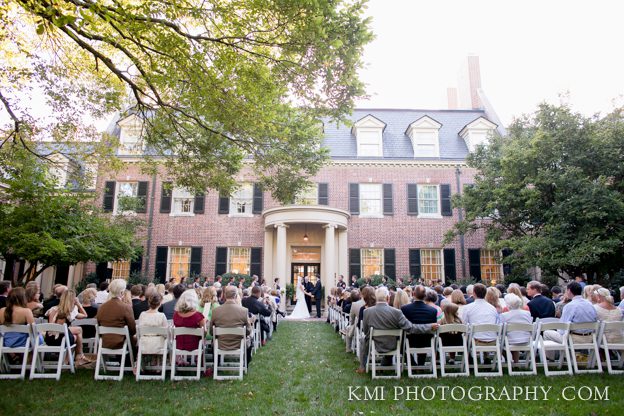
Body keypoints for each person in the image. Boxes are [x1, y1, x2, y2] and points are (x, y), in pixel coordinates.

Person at [357, 287, 438, 373]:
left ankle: (363, 366)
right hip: (394, 345)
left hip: (374, 345)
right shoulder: (397, 312)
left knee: (363, 339)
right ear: (388, 298)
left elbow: (366, 331)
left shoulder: (367, 312)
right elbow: (411, 328)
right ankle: (411, 365)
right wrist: (429, 326)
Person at [543, 282, 597, 357]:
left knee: (547, 333)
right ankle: (569, 357)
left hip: (573, 339)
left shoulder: (570, 306)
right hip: (590, 338)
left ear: (569, 291)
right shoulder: (590, 304)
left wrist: (559, 332)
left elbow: (563, 327)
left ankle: (551, 359)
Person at [210, 286, 254, 364]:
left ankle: (217, 363)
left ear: (225, 295)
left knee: (213, 340)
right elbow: (248, 331)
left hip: (220, 344)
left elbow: (211, 332)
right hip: (239, 344)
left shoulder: (215, 311)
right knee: (250, 338)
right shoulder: (244, 311)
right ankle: (246, 363)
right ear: (236, 296)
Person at [47, 289, 90, 366]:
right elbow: (85, 315)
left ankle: (69, 360)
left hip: (49, 339)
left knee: (74, 335)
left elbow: (51, 326)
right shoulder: (70, 312)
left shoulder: (53, 309)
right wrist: (79, 305)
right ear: (73, 300)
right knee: (78, 331)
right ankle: (78, 355)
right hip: (62, 339)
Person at [401, 286, 438, 365]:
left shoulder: (405, 309)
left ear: (413, 294)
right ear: (425, 296)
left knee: (400, 342)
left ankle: (412, 363)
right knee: (424, 337)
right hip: (427, 341)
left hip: (410, 340)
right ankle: (420, 364)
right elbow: (433, 327)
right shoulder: (433, 310)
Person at [96, 279, 137, 350]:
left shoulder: (102, 307)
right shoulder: (126, 307)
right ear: (122, 292)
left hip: (104, 341)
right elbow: (132, 330)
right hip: (121, 342)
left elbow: (98, 322)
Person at [137, 292, 168, 367]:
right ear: (160, 303)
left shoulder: (142, 314)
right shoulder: (161, 316)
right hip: (158, 345)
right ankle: (158, 365)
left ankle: (150, 364)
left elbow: (139, 330)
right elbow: (166, 332)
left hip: (144, 344)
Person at [172, 290, 205, 361]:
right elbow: (204, 332)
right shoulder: (198, 316)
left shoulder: (176, 315)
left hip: (179, 345)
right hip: (195, 345)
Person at [500, 293, 532, 363]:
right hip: (526, 341)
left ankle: (508, 360)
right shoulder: (527, 314)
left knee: (499, 342)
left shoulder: (504, 315)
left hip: (511, 341)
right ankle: (515, 362)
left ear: (507, 304)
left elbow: (501, 330)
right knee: (514, 336)